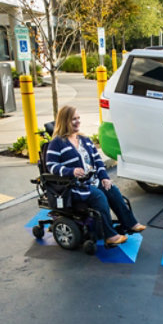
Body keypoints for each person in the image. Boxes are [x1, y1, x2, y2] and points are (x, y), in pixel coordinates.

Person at [45, 105, 145, 246]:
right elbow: (51, 166)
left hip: (92, 181)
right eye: (74, 119)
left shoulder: (84, 140)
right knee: (99, 196)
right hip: (73, 186)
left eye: (78, 118)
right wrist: (70, 171)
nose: (78, 121)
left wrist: (104, 177)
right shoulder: (57, 143)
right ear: (65, 121)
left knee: (112, 190)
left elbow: (97, 160)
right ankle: (110, 236)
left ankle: (130, 224)